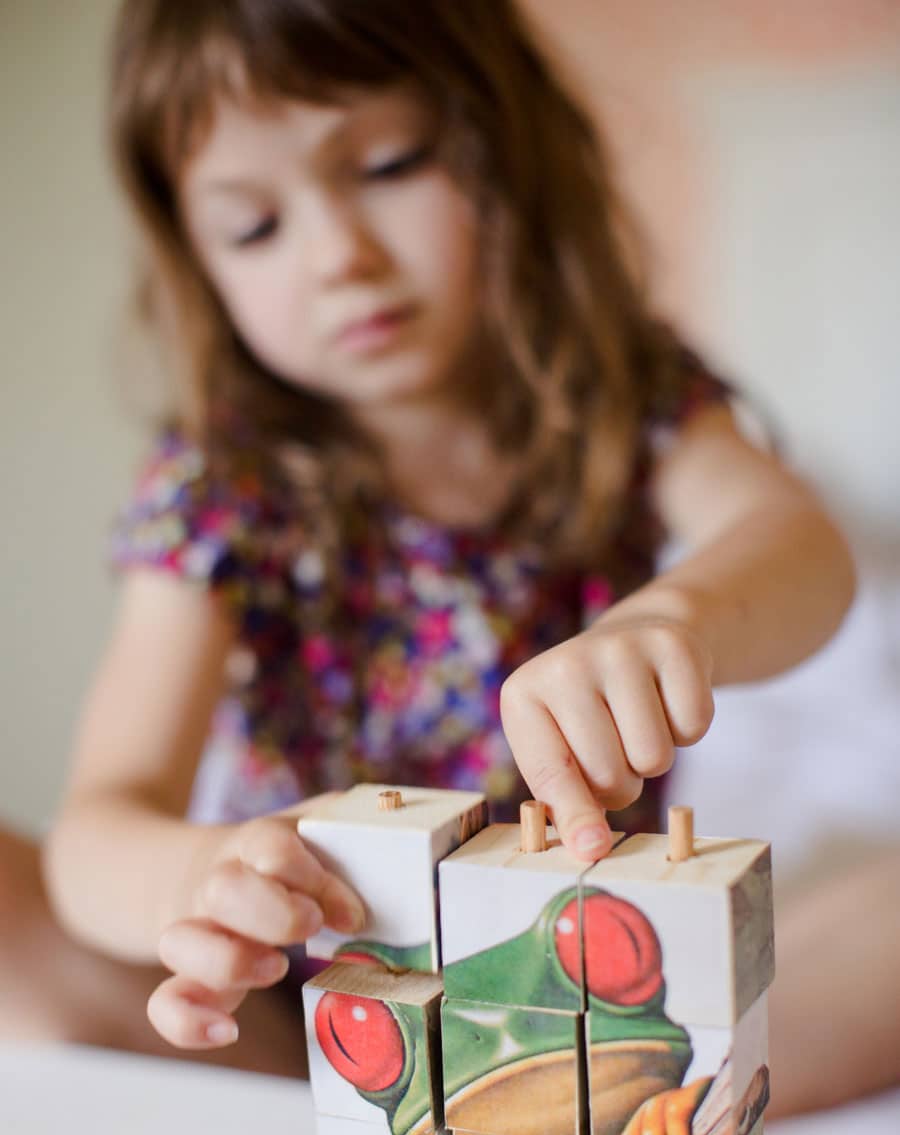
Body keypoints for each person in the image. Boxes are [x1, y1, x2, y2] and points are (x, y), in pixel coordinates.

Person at [39, 0, 854, 1075]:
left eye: (387, 164)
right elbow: (102, 820)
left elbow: (800, 548)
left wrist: (678, 618)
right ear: (200, 265)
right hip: (301, 1006)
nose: (341, 255)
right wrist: (196, 881)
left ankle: (640, 1111)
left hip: (588, 998)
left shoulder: (627, 397)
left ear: (501, 139)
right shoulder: (220, 484)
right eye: (254, 226)